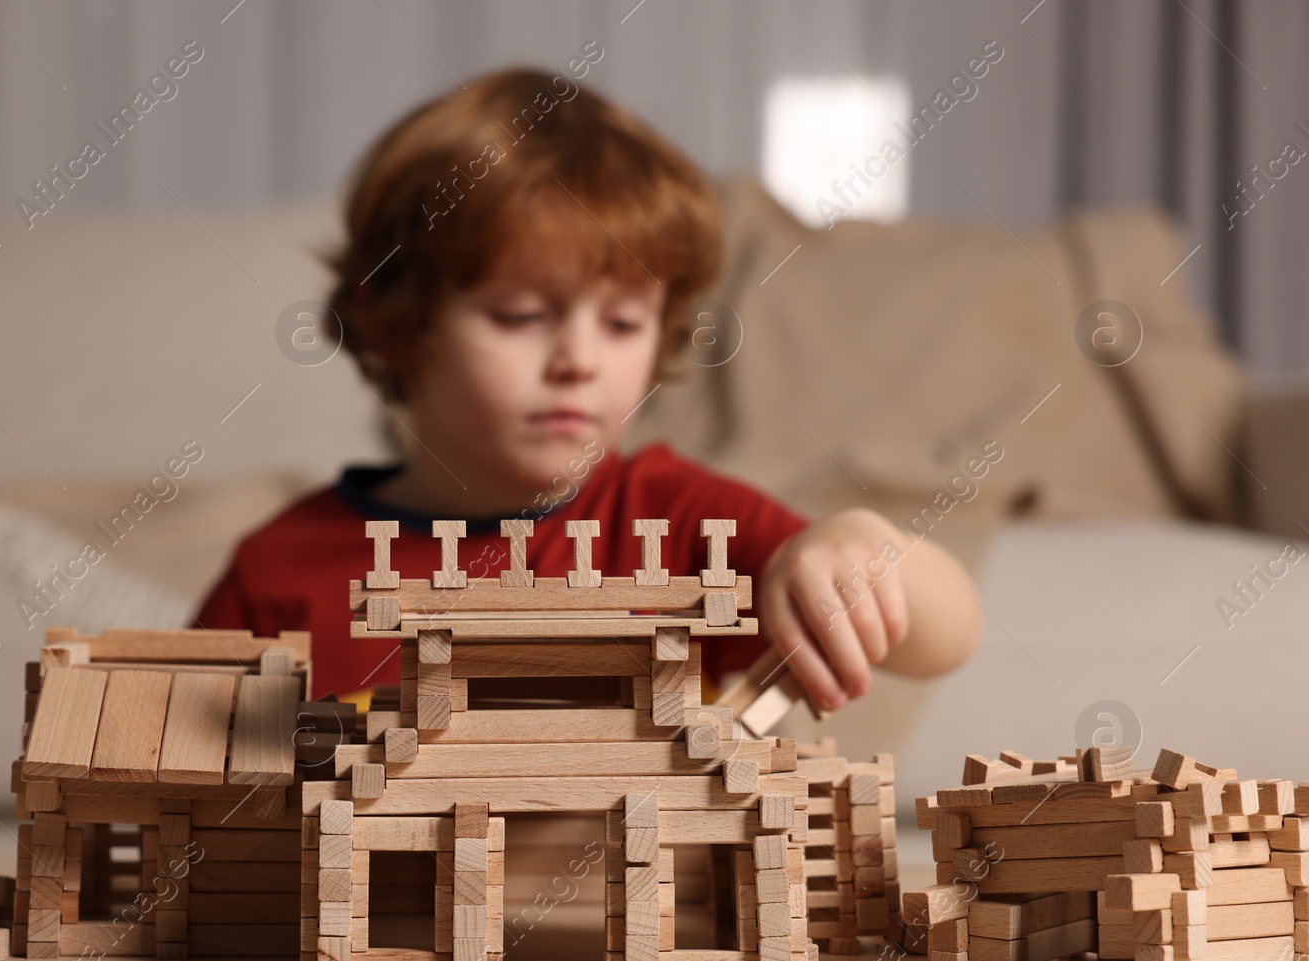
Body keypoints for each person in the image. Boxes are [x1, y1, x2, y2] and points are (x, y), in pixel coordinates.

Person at [197, 67, 982, 711]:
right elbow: (173, 758)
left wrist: (859, 545)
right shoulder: (276, 568)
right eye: (521, 315)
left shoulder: (682, 522)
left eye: (623, 322)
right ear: (399, 322)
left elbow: (948, 634)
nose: (578, 359)